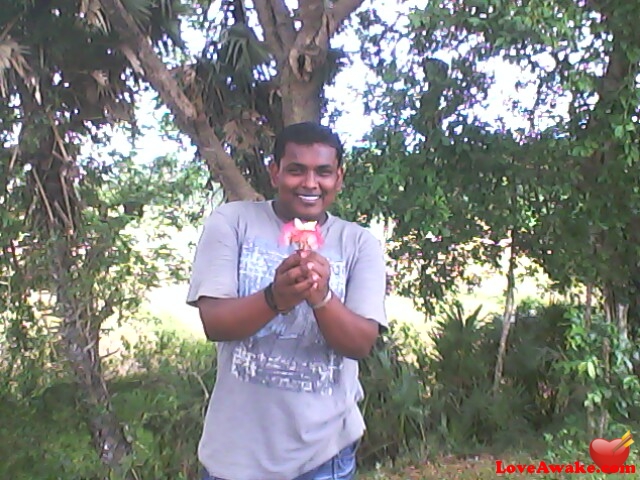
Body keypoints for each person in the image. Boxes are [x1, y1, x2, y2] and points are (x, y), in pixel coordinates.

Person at [186, 121, 388, 480]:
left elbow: (360, 343)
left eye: (323, 172)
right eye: (296, 170)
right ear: (275, 172)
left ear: (338, 178)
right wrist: (274, 298)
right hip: (233, 459)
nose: (310, 184)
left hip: (324, 458)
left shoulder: (359, 244)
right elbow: (214, 323)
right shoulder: (232, 222)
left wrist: (321, 296)